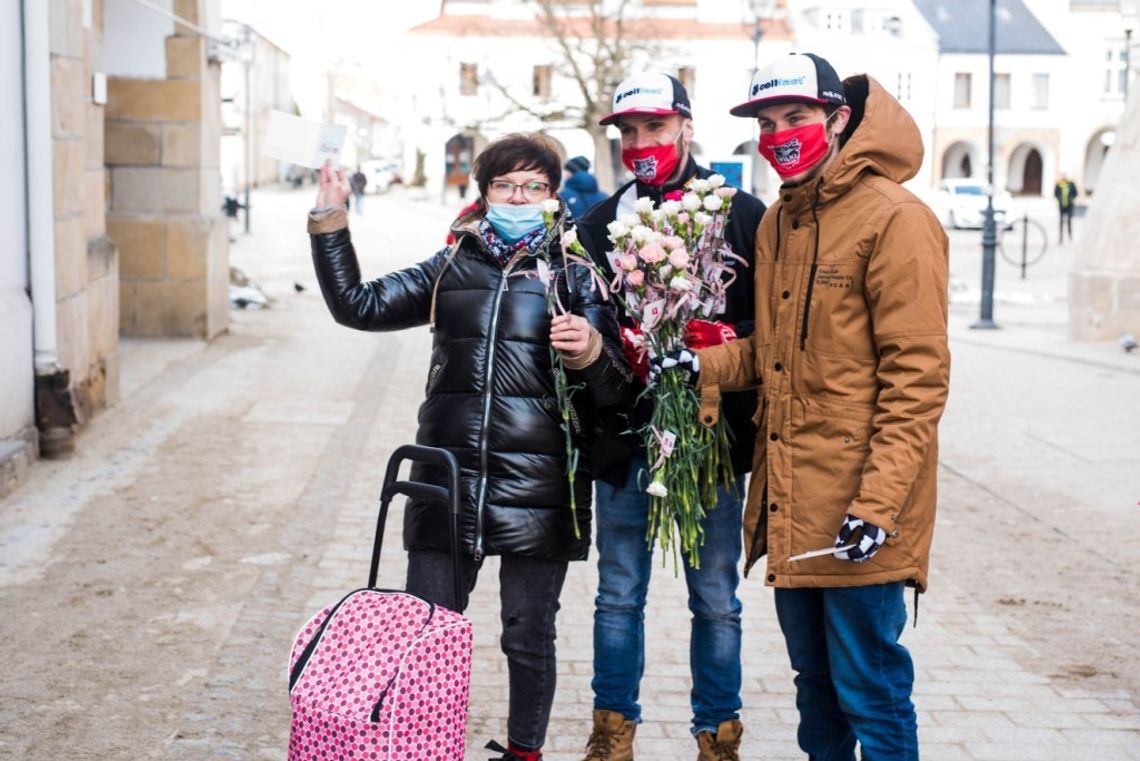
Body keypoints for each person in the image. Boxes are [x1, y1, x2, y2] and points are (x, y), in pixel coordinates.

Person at [307, 133, 631, 761]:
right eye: (506, 185)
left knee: (528, 635)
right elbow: (357, 305)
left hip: (541, 488)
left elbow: (619, 391)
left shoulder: (577, 274)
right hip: (447, 478)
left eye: (535, 186)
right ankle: (422, 747)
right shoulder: (451, 265)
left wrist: (592, 352)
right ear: (484, 193)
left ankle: (524, 751)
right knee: (425, 632)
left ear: (553, 195)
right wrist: (329, 219)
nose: (520, 196)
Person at [665, 52, 950, 760]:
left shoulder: (895, 218)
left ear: (839, 118)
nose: (780, 133)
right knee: (815, 691)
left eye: (796, 117)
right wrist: (698, 363)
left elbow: (917, 379)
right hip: (794, 502)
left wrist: (878, 506)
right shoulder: (779, 223)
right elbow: (774, 356)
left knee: (873, 692)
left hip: (860, 511)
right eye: (767, 122)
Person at [573, 72, 765, 761]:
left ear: (685, 125)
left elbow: (763, 327)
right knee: (618, 593)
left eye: (654, 128)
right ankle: (612, 734)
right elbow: (586, 324)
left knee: (716, 598)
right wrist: (613, 351)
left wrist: (719, 342)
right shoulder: (597, 225)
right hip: (626, 439)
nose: (640, 144)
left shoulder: (742, 213)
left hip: (712, 436)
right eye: (628, 133)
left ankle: (718, 735)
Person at [1054, 173, 1079, 243]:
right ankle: (1061, 237)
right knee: (1061, 221)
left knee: (1069, 220)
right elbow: (1056, 193)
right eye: (1062, 176)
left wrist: (1071, 199)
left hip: (1069, 205)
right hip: (1062, 205)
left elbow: (1075, 193)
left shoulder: (1071, 184)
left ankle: (1070, 235)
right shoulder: (1059, 184)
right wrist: (1060, 199)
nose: (1063, 177)